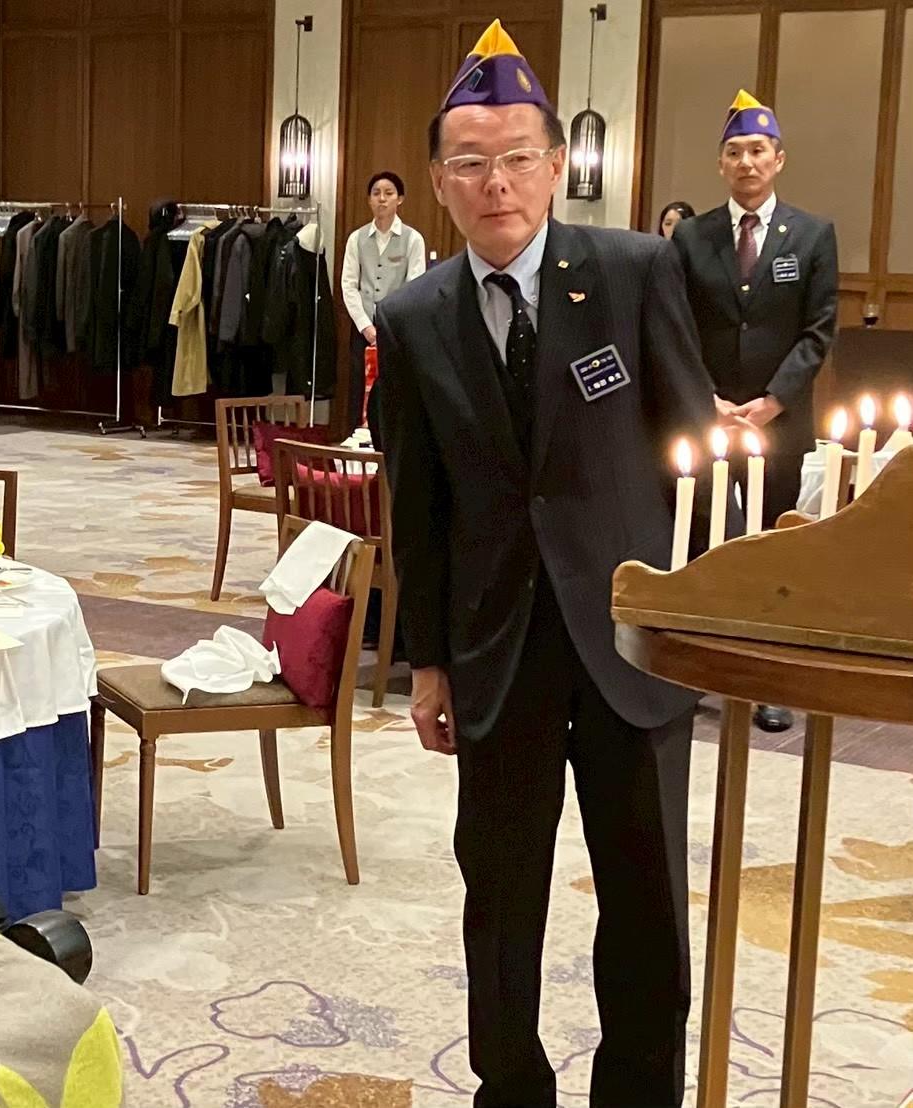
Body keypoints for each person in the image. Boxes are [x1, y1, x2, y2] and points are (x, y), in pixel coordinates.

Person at [376, 21, 725, 1107]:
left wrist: (701, 614)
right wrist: (427, 663)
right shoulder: (412, 316)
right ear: (439, 180)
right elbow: (416, 507)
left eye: (517, 156)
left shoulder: (633, 271)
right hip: (497, 648)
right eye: (470, 162)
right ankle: (510, 1087)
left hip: (632, 642)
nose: (497, 182)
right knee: (499, 896)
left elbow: (693, 451)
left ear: (556, 163)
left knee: (645, 897)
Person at [670, 90, 837, 735]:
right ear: (720, 163)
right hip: (707, 420)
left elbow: (818, 331)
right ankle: (700, 667)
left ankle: (766, 677)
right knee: (703, 541)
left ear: (778, 159)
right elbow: (675, 325)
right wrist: (706, 400)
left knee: (770, 545)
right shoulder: (692, 237)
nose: (746, 162)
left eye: (757, 150)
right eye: (734, 152)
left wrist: (772, 402)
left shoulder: (813, 235)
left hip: (780, 424)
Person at [340, 170, 426, 442]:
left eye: (389, 193)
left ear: (400, 199)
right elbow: (349, 285)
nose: (382, 199)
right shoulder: (356, 239)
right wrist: (366, 327)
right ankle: (356, 443)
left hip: (396, 330)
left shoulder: (413, 239)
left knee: (393, 387)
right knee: (359, 388)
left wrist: (391, 326)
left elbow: (415, 286)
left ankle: (391, 445)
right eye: (376, 193)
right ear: (369, 200)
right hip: (363, 328)